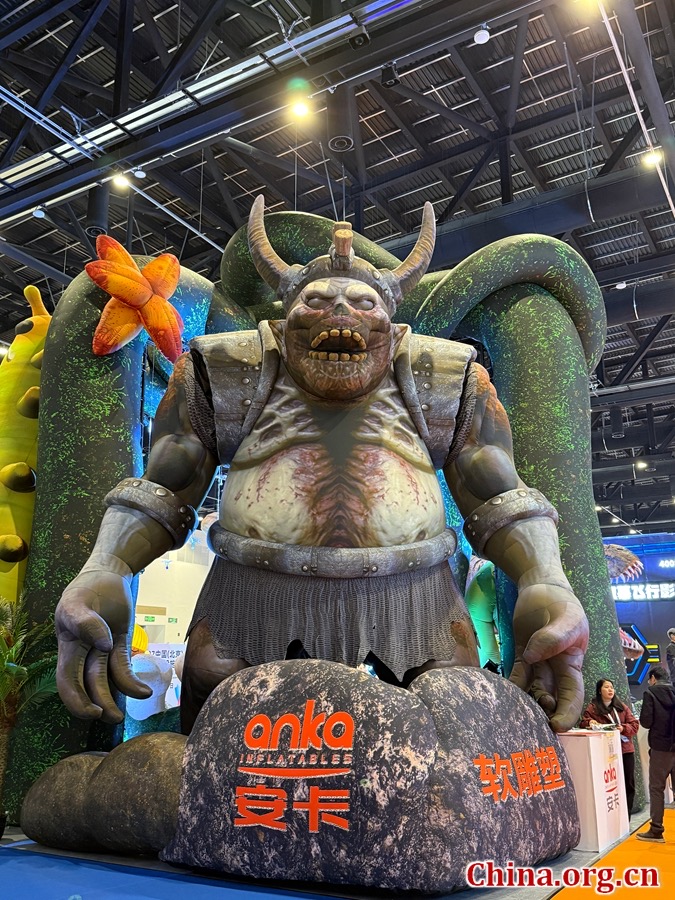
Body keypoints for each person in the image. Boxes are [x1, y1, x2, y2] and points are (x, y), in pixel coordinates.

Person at [54, 197, 589, 736]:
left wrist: (545, 579)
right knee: (213, 691)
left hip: (415, 598)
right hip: (251, 593)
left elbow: (496, 493)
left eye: (363, 302)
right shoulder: (227, 370)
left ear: (392, 323)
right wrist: (107, 567)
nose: (340, 313)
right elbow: (166, 486)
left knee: (451, 708)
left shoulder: (444, 377)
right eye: (317, 300)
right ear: (284, 317)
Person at [580, 678, 639, 815]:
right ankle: (611, 815)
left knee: (628, 783)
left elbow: (635, 725)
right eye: (606, 687)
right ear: (600, 691)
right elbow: (583, 723)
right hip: (605, 752)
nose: (610, 690)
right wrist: (590, 722)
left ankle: (627, 816)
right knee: (609, 785)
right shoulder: (593, 708)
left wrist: (623, 728)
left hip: (625, 750)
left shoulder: (622, 707)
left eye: (612, 687)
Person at [637, 665, 675, 843]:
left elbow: (645, 721)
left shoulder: (650, 693)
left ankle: (656, 830)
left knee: (657, 789)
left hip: (661, 747)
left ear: (653, 678)